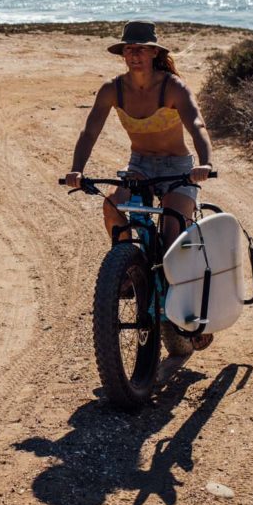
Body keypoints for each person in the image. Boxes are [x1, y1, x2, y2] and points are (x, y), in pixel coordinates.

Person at [64, 19, 215, 352]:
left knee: (173, 228)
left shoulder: (172, 86)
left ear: (153, 53)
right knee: (112, 206)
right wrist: (76, 169)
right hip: (140, 167)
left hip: (178, 169)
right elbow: (89, 132)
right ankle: (128, 271)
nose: (135, 55)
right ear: (123, 54)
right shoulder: (113, 90)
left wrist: (204, 163)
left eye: (141, 50)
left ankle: (190, 313)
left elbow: (197, 125)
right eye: (129, 49)